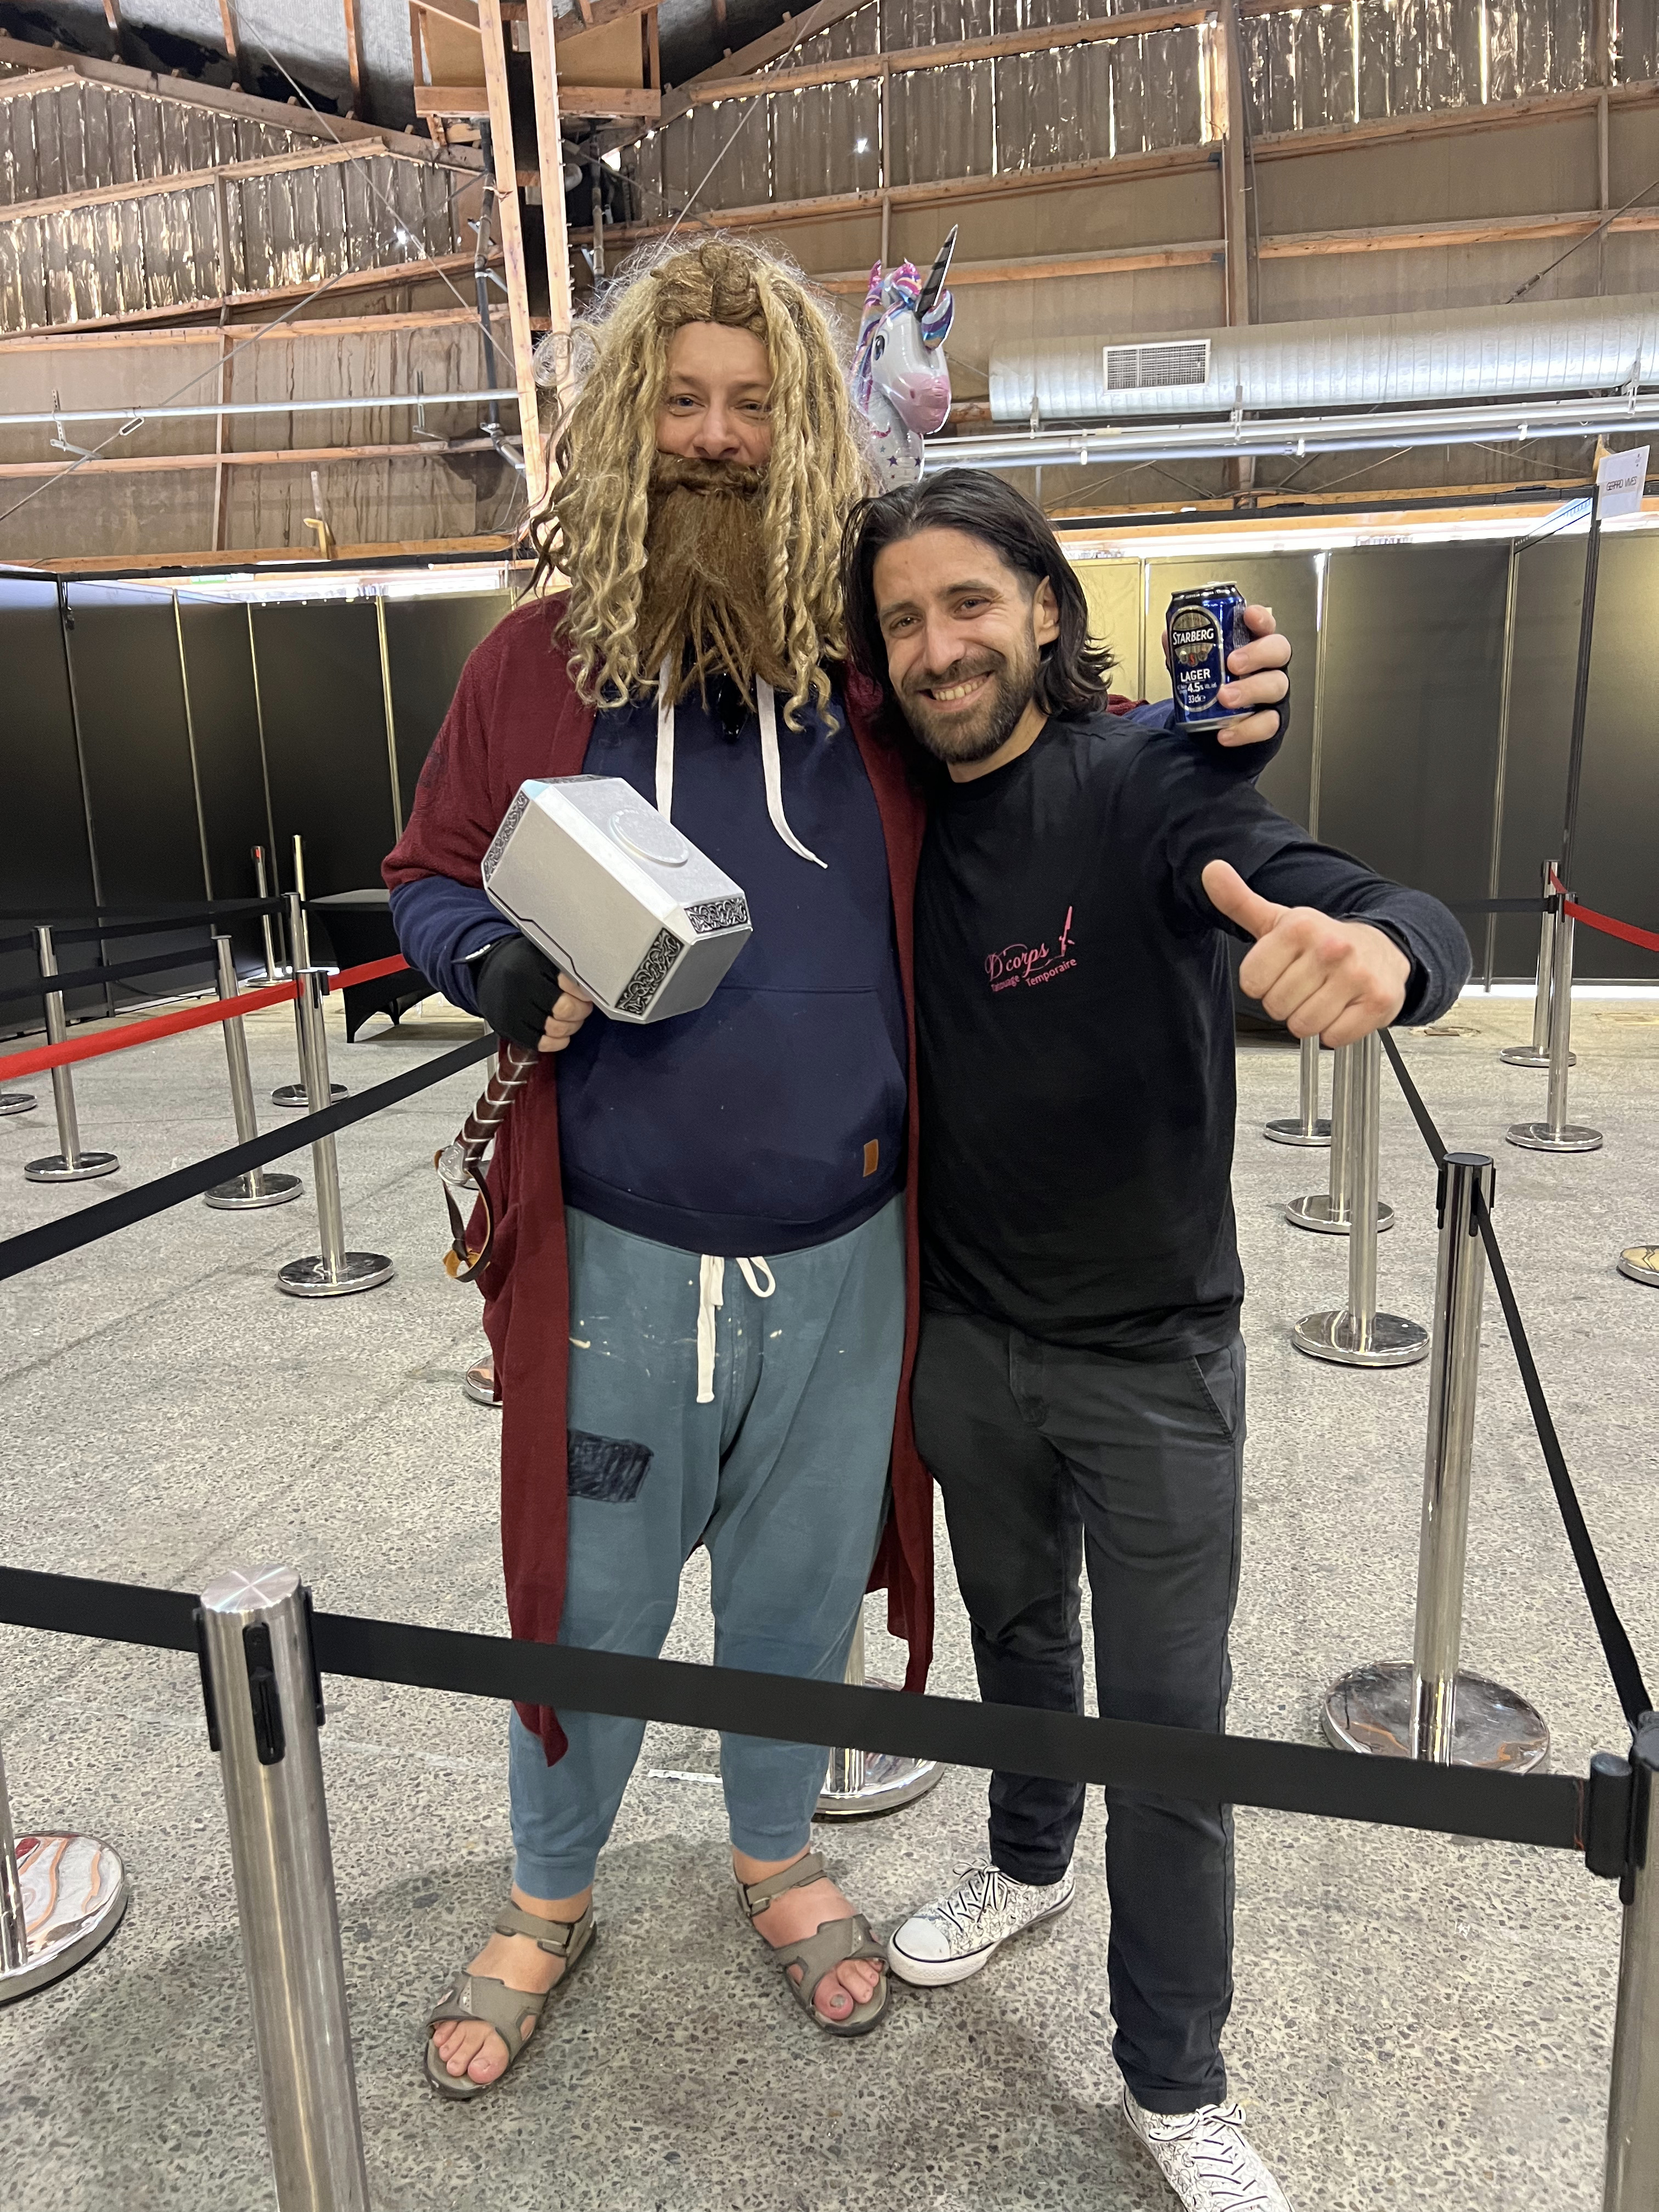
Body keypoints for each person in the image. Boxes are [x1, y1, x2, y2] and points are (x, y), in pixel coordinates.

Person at [385, 234, 1293, 2101]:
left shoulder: (867, 681)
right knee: (593, 1598)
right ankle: (550, 1890)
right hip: (617, 1247)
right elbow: (429, 870)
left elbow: (1048, 750)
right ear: (627, 424)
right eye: (681, 402)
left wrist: (1230, 717)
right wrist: (488, 964)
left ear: (803, 430)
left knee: (798, 1600)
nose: (716, 439)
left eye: (752, 405)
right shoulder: (532, 669)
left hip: (857, 1252)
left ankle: (775, 1848)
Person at [840, 470, 1469, 2212]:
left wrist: (1388, 955)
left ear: (1045, 608)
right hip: (970, 1343)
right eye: (904, 620)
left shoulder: (1143, 782)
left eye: (971, 603)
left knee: (1172, 1731)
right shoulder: (887, 815)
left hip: (1156, 1363)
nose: (941, 646)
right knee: (1019, 1644)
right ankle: (1026, 1858)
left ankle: (1175, 2081)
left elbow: (1360, 893)